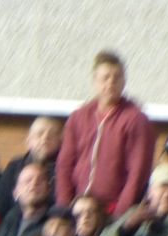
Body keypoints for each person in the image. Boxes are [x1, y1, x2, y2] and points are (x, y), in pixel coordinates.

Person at [55, 51, 155, 216]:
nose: (111, 83)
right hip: (78, 208)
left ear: (124, 82)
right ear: (95, 81)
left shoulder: (135, 120)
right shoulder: (79, 117)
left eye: (117, 78)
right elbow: (65, 164)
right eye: (106, 77)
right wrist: (65, 207)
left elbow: (138, 173)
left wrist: (120, 213)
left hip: (111, 210)